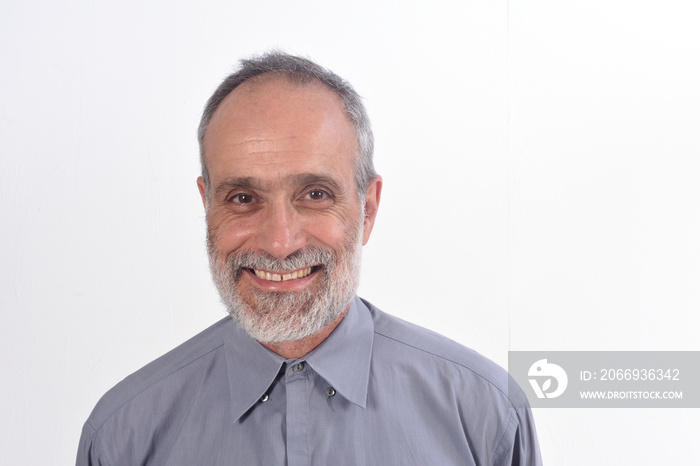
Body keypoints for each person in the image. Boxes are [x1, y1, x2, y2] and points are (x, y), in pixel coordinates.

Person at [76, 51, 542, 465]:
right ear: (207, 205)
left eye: (315, 194)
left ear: (368, 210)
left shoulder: (487, 417)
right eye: (242, 198)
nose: (280, 242)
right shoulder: (123, 438)